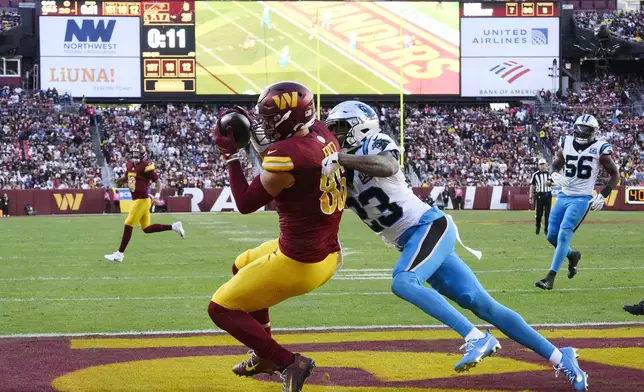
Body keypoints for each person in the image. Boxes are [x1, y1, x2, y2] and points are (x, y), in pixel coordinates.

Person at [322, 100, 588, 391]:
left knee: (404, 281)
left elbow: (388, 165)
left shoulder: (373, 143)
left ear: (359, 125)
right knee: (482, 304)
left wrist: (341, 159)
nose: (334, 134)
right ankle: (561, 357)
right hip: (412, 240)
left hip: (428, 226)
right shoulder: (340, 167)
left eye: (339, 127)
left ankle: (475, 337)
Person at [209, 82, 346, 392]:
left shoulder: (287, 158)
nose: (265, 126)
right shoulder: (320, 133)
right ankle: (264, 353)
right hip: (328, 250)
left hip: (300, 263)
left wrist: (231, 156)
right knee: (241, 264)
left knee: (220, 308)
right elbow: (279, 152)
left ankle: (288, 362)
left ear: (290, 118)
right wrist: (254, 140)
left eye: (271, 119)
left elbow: (244, 203)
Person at [536, 115, 619, 290]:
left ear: (593, 132)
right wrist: (553, 174)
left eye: (585, 129)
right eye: (579, 128)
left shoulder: (599, 148)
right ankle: (572, 255)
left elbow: (615, 174)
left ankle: (550, 277)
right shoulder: (566, 142)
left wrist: (603, 194)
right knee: (551, 235)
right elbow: (556, 164)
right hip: (564, 195)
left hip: (582, 197)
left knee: (564, 234)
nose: (581, 132)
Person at [104, 143, 185, 263]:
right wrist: (117, 181)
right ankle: (174, 227)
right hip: (138, 200)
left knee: (128, 224)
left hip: (142, 200)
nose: (134, 156)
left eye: (137, 154)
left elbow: (158, 182)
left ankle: (119, 254)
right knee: (146, 228)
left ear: (142, 154)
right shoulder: (130, 165)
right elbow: (125, 179)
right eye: (133, 153)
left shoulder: (146, 166)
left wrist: (157, 196)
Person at [530, 158, 552, 235]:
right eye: (541, 165)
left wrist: (550, 183)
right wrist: (530, 196)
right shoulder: (535, 175)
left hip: (548, 195)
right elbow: (532, 185)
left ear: (546, 165)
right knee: (539, 213)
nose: (542, 166)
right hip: (539, 195)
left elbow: (554, 182)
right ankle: (538, 225)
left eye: (543, 165)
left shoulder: (550, 174)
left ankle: (546, 229)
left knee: (547, 214)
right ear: (538, 166)